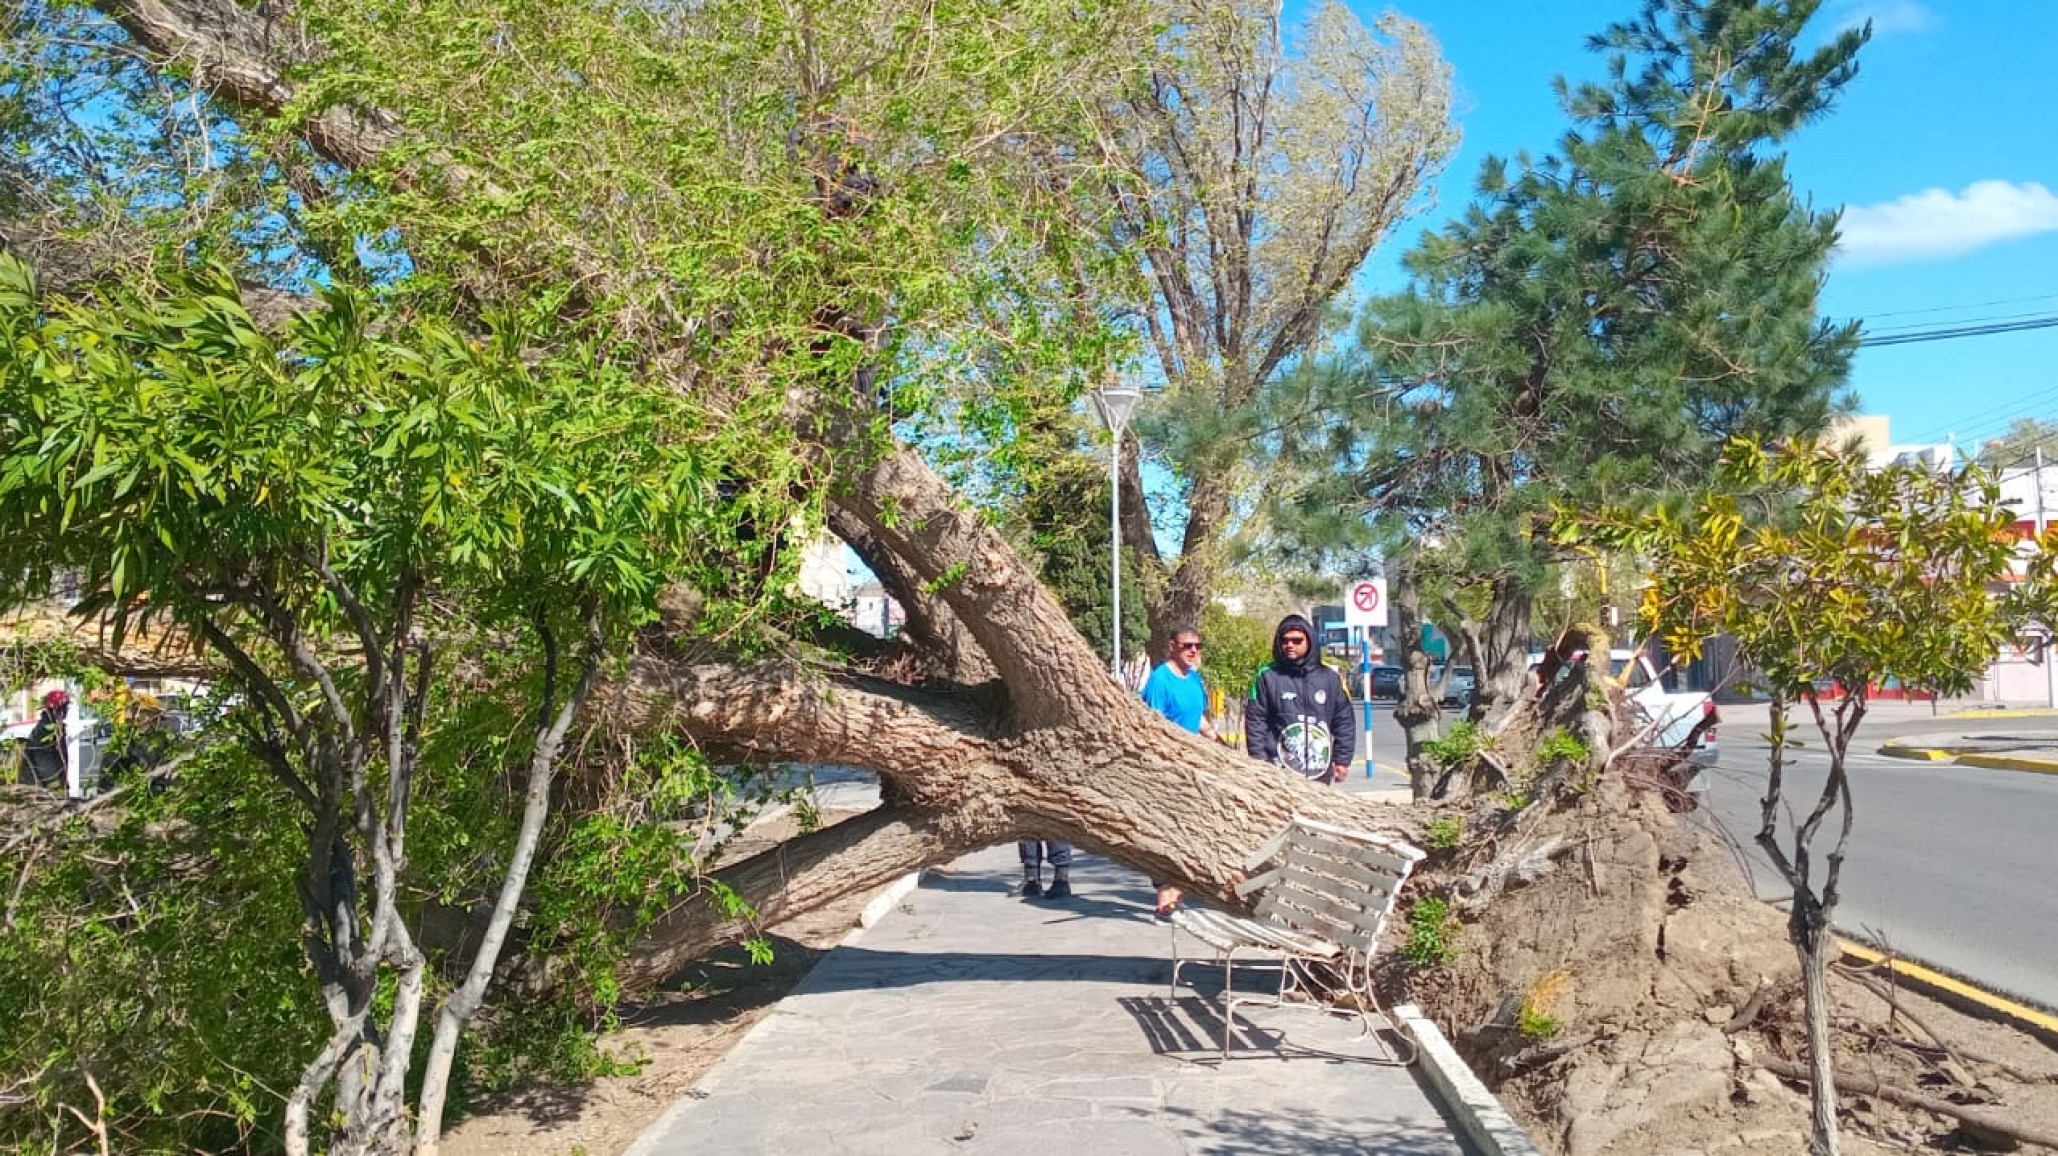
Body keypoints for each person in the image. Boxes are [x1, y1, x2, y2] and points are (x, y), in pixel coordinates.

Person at [1140, 626, 1215, 915]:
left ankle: (1179, 887)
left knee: (1193, 828)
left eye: (1198, 645)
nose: (1193, 651)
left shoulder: (1194, 678)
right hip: (1169, 768)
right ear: (1172, 646)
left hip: (1195, 765)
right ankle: (1164, 892)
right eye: (1187, 646)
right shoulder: (1160, 679)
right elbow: (1153, 726)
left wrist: (1216, 741)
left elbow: (1197, 719)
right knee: (1165, 831)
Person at [1246, 614, 1355, 785]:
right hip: (1278, 773)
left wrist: (1342, 760)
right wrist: (1258, 761)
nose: (1289, 645)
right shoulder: (1267, 676)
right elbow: (1255, 721)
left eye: (1297, 641)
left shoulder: (1330, 678)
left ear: (1309, 641)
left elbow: (1344, 721)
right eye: (1285, 640)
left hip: (1318, 773)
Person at [21, 689, 69, 790]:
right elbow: (45, 764)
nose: (67, 710)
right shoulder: (44, 730)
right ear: (56, 709)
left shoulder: (54, 728)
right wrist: (55, 787)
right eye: (64, 707)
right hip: (42, 787)